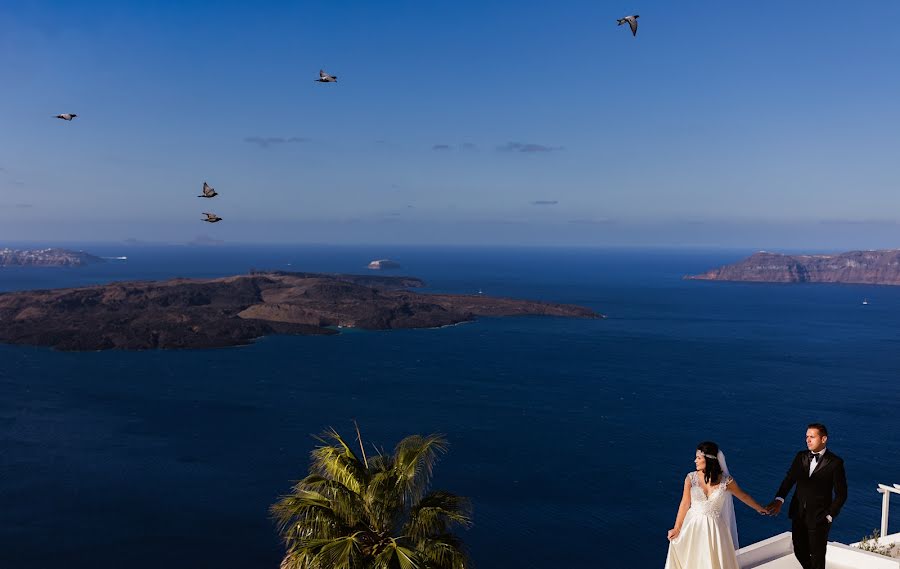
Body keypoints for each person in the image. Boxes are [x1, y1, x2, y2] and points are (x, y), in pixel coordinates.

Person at [665, 441, 768, 569]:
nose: (695, 461)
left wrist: (760, 508)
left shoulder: (726, 481)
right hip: (692, 528)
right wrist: (677, 528)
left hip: (715, 531)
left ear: (708, 459)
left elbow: (743, 496)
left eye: (698, 458)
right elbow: (685, 503)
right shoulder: (691, 478)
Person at [765, 423, 848, 569]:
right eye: (806, 437)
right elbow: (789, 480)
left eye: (812, 437)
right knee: (799, 550)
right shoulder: (800, 456)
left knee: (817, 555)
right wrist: (779, 499)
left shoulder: (835, 462)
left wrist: (829, 515)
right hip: (798, 513)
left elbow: (841, 494)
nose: (808, 440)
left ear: (823, 439)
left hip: (820, 517)